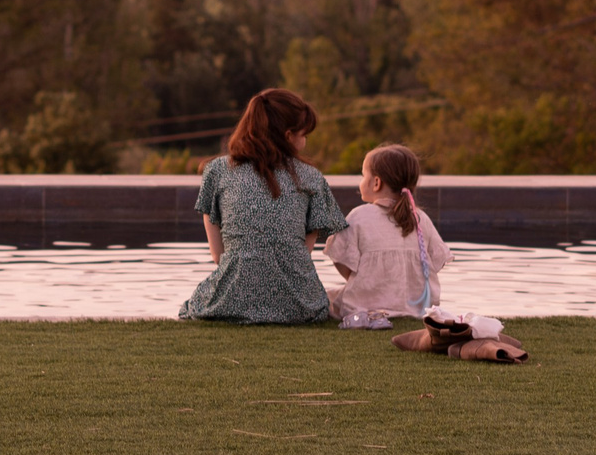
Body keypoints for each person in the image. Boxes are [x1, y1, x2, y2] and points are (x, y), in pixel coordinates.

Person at [178, 88, 349, 324]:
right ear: (289, 136)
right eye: (304, 134)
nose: (306, 140)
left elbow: (218, 254)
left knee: (190, 306)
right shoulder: (312, 177)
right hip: (300, 306)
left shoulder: (217, 171)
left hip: (229, 302)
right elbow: (301, 257)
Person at [324, 142, 451, 329]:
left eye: (363, 175)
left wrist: (362, 280)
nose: (361, 181)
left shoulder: (359, 216)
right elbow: (435, 263)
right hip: (416, 308)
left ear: (376, 183)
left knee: (326, 298)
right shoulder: (420, 218)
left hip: (365, 304)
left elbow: (339, 258)